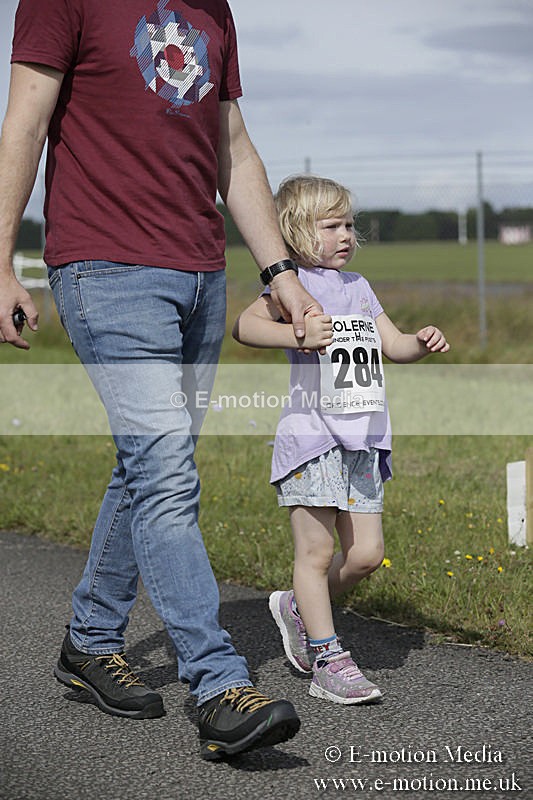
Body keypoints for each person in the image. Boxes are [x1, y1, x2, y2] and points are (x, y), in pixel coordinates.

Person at [0, 1, 325, 760]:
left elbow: (234, 148)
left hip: (201, 275)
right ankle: (217, 685)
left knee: (147, 465)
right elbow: (23, 124)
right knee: (167, 472)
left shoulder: (213, 11)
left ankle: (88, 642)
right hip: (106, 269)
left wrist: (278, 271)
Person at [233, 175, 450, 705]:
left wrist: (419, 343)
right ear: (297, 230)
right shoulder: (292, 288)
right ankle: (328, 657)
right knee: (316, 551)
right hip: (312, 438)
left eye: (349, 224)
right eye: (332, 226)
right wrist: (295, 332)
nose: (346, 235)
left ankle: (297, 610)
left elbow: (392, 344)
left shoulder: (358, 287)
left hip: (366, 439)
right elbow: (243, 326)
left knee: (366, 556)